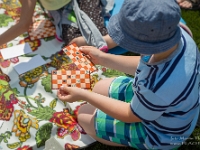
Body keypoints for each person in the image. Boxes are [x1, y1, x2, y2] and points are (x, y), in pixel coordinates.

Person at [57, 0, 200, 149]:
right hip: (161, 104)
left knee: (84, 115)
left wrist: (83, 95)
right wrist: (103, 59)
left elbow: (129, 115)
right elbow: (144, 62)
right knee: (99, 87)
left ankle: (138, 143)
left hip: (159, 134)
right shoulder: (179, 34)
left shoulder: (158, 85)